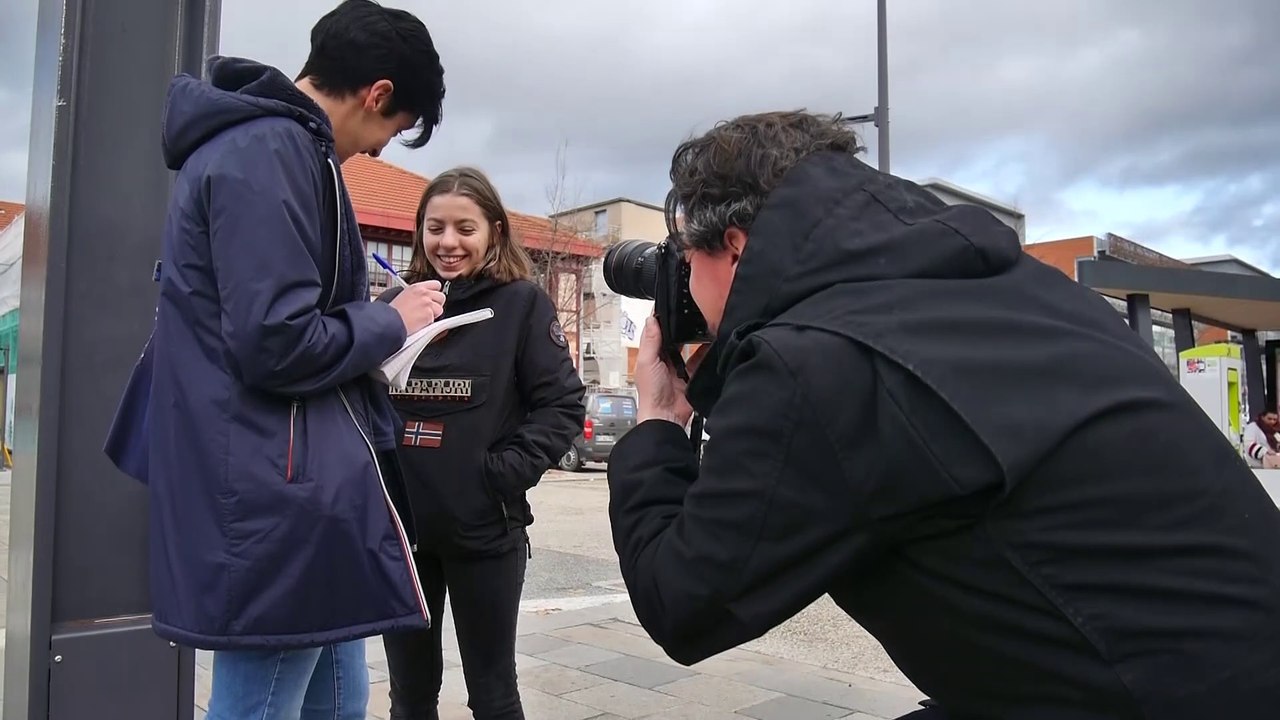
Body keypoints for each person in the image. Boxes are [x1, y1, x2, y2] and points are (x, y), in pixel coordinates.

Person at [606, 110, 1280, 719]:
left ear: (734, 246)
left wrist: (660, 421)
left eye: (686, 258)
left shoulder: (819, 360)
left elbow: (683, 601)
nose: (683, 279)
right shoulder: (1010, 287)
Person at [103, 2, 446, 718]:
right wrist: (390, 321)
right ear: (378, 94)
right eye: (392, 132)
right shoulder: (271, 151)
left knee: (336, 696)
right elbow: (276, 341)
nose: (377, 152)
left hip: (281, 475)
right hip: (279, 491)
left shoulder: (267, 146)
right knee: (261, 703)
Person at [375, 167, 585, 719]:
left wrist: (499, 474)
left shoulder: (522, 305)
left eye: (465, 228)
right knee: (409, 696)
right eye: (435, 228)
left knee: (493, 696)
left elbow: (563, 405)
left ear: (494, 230)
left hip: (485, 534)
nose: (448, 242)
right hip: (403, 537)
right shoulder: (396, 307)